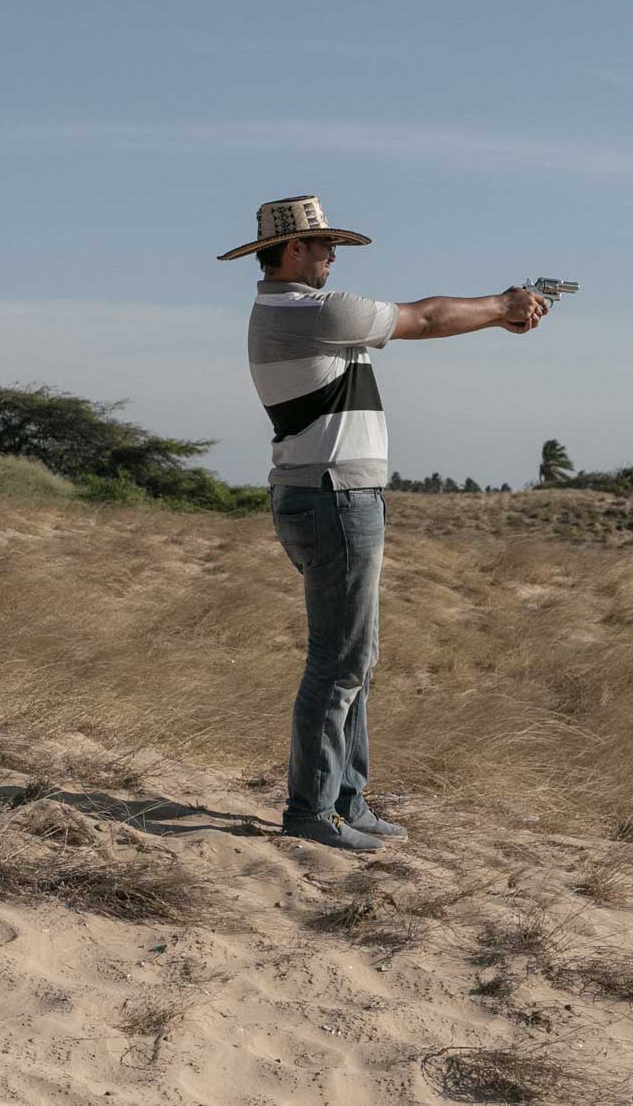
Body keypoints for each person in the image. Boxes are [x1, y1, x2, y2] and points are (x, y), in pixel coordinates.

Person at [218, 196, 551, 851]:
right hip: (335, 498)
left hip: (320, 495)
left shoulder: (285, 313)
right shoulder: (316, 313)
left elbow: (429, 319)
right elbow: (425, 318)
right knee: (339, 662)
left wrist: (497, 316)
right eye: (322, 247)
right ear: (293, 251)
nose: (332, 258)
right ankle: (313, 809)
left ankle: (346, 797)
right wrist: (504, 307)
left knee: (355, 657)